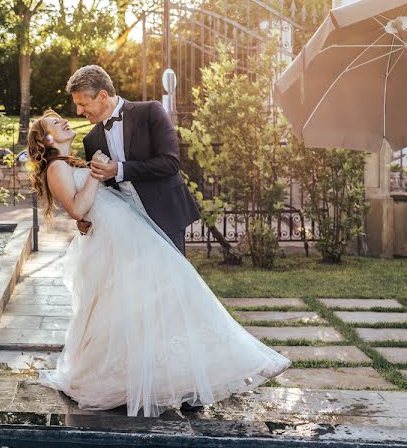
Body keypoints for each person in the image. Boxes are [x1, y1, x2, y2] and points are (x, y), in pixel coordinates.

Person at [28, 110, 290, 417]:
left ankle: (228, 363)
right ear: (48, 140)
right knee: (166, 296)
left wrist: (95, 173)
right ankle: (235, 363)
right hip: (118, 243)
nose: (63, 121)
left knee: (167, 298)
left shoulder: (71, 164)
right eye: (54, 123)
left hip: (130, 236)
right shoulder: (56, 167)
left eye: (61, 118)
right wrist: (97, 174)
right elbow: (78, 209)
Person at [67, 65, 200, 254]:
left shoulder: (151, 112)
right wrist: (87, 218)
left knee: (170, 282)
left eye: (83, 104)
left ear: (103, 96)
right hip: (126, 226)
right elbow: (102, 191)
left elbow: (170, 163)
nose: (79, 111)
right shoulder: (91, 140)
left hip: (165, 216)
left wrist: (119, 169)